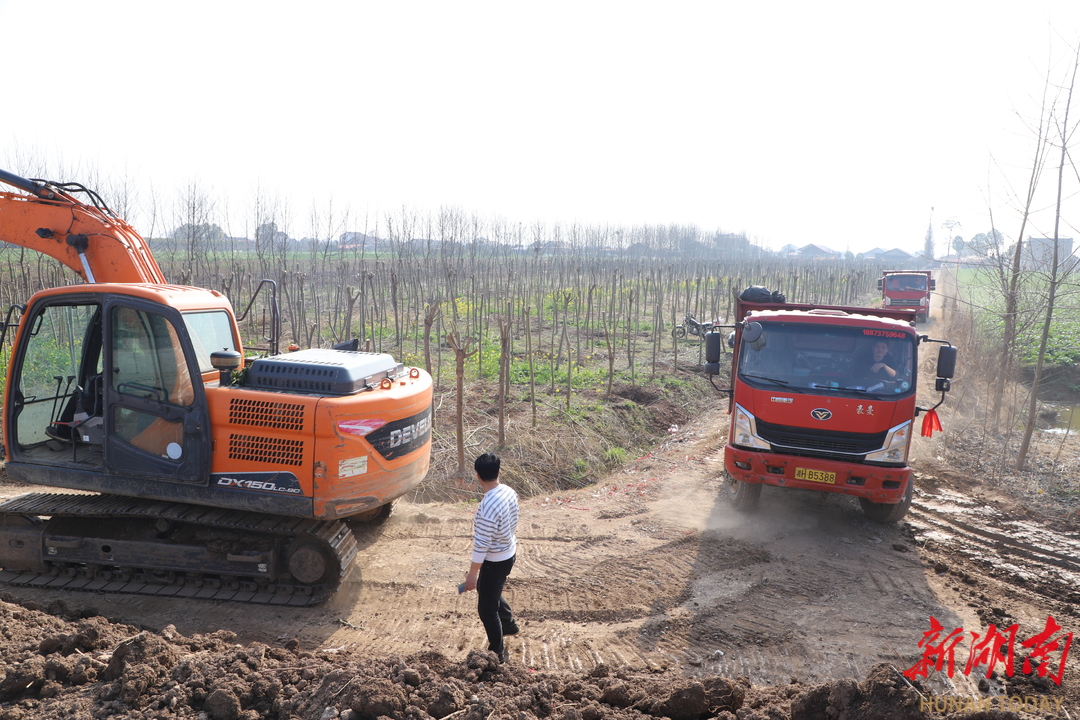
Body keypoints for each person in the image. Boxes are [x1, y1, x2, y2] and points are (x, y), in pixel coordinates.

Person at [462, 452, 519, 663]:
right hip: (509, 554)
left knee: (486, 609)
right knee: (490, 590)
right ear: (499, 472)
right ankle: (509, 624)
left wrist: (472, 575)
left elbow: (481, 546)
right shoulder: (509, 492)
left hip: (494, 561)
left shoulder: (487, 507)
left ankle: (497, 652)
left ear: (477, 476)